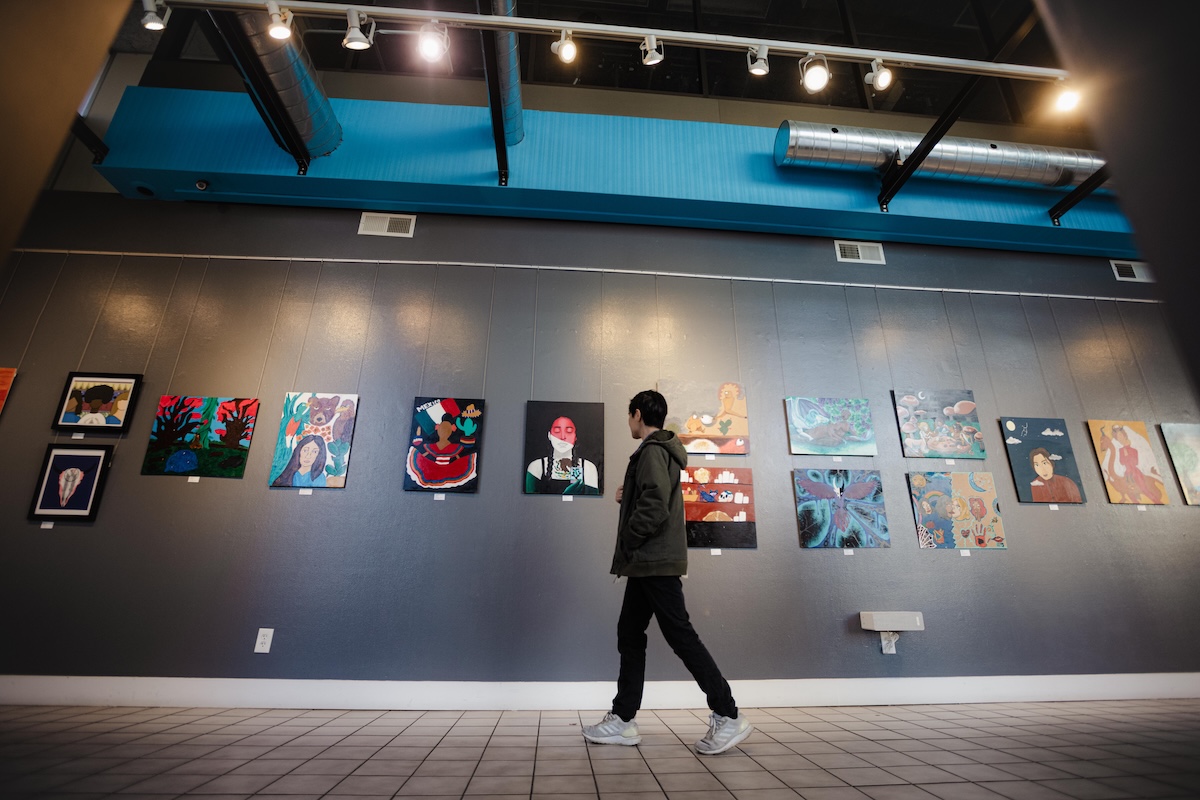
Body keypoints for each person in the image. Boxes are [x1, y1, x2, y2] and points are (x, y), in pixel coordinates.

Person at [583, 389, 752, 755]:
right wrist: (626, 496)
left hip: (653, 561)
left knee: (680, 636)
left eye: (629, 416)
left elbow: (656, 504)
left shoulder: (652, 452)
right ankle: (624, 720)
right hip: (647, 563)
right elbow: (651, 495)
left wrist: (629, 535)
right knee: (629, 632)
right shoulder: (657, 453)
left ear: (638, 414)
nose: (629, 422)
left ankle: (728, 714)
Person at [525, 415, 600, 494]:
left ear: (575, 436)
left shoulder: (588, 467)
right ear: (549, 435)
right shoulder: (536, 466)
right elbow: (530, 502)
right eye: (557, 431)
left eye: (569, 431)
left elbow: (592, 502)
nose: (562, 437)